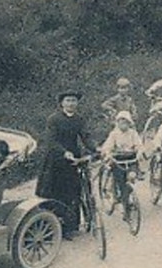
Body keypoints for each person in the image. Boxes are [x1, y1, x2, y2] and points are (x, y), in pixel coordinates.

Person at [35, 91, 94, 238]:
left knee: (72, 192)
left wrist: (96, 148)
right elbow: (51, 141)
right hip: (55, 160)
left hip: (73, 160)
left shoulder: (79, 120)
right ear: (62, 103)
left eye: (74, 101)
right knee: (54, 193)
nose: (71, 103)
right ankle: (50, 227)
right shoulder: (53, 119)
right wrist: (64, 152)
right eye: (68, 101)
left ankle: (69, 227)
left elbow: (85, 137)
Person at [97, 109, 144, 219]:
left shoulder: (133, 133)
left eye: (126, 122)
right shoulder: (114, 134)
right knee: (120, 182)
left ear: (129, 123)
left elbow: (139, 145)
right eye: (121, 122)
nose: (123, 124)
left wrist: (139, 152)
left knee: (131, 177)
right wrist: (108, 153)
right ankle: (122, 204)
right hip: (118, 160)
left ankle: (127, 196)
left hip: (131, 159)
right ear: (117, 123)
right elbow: (107, 146)